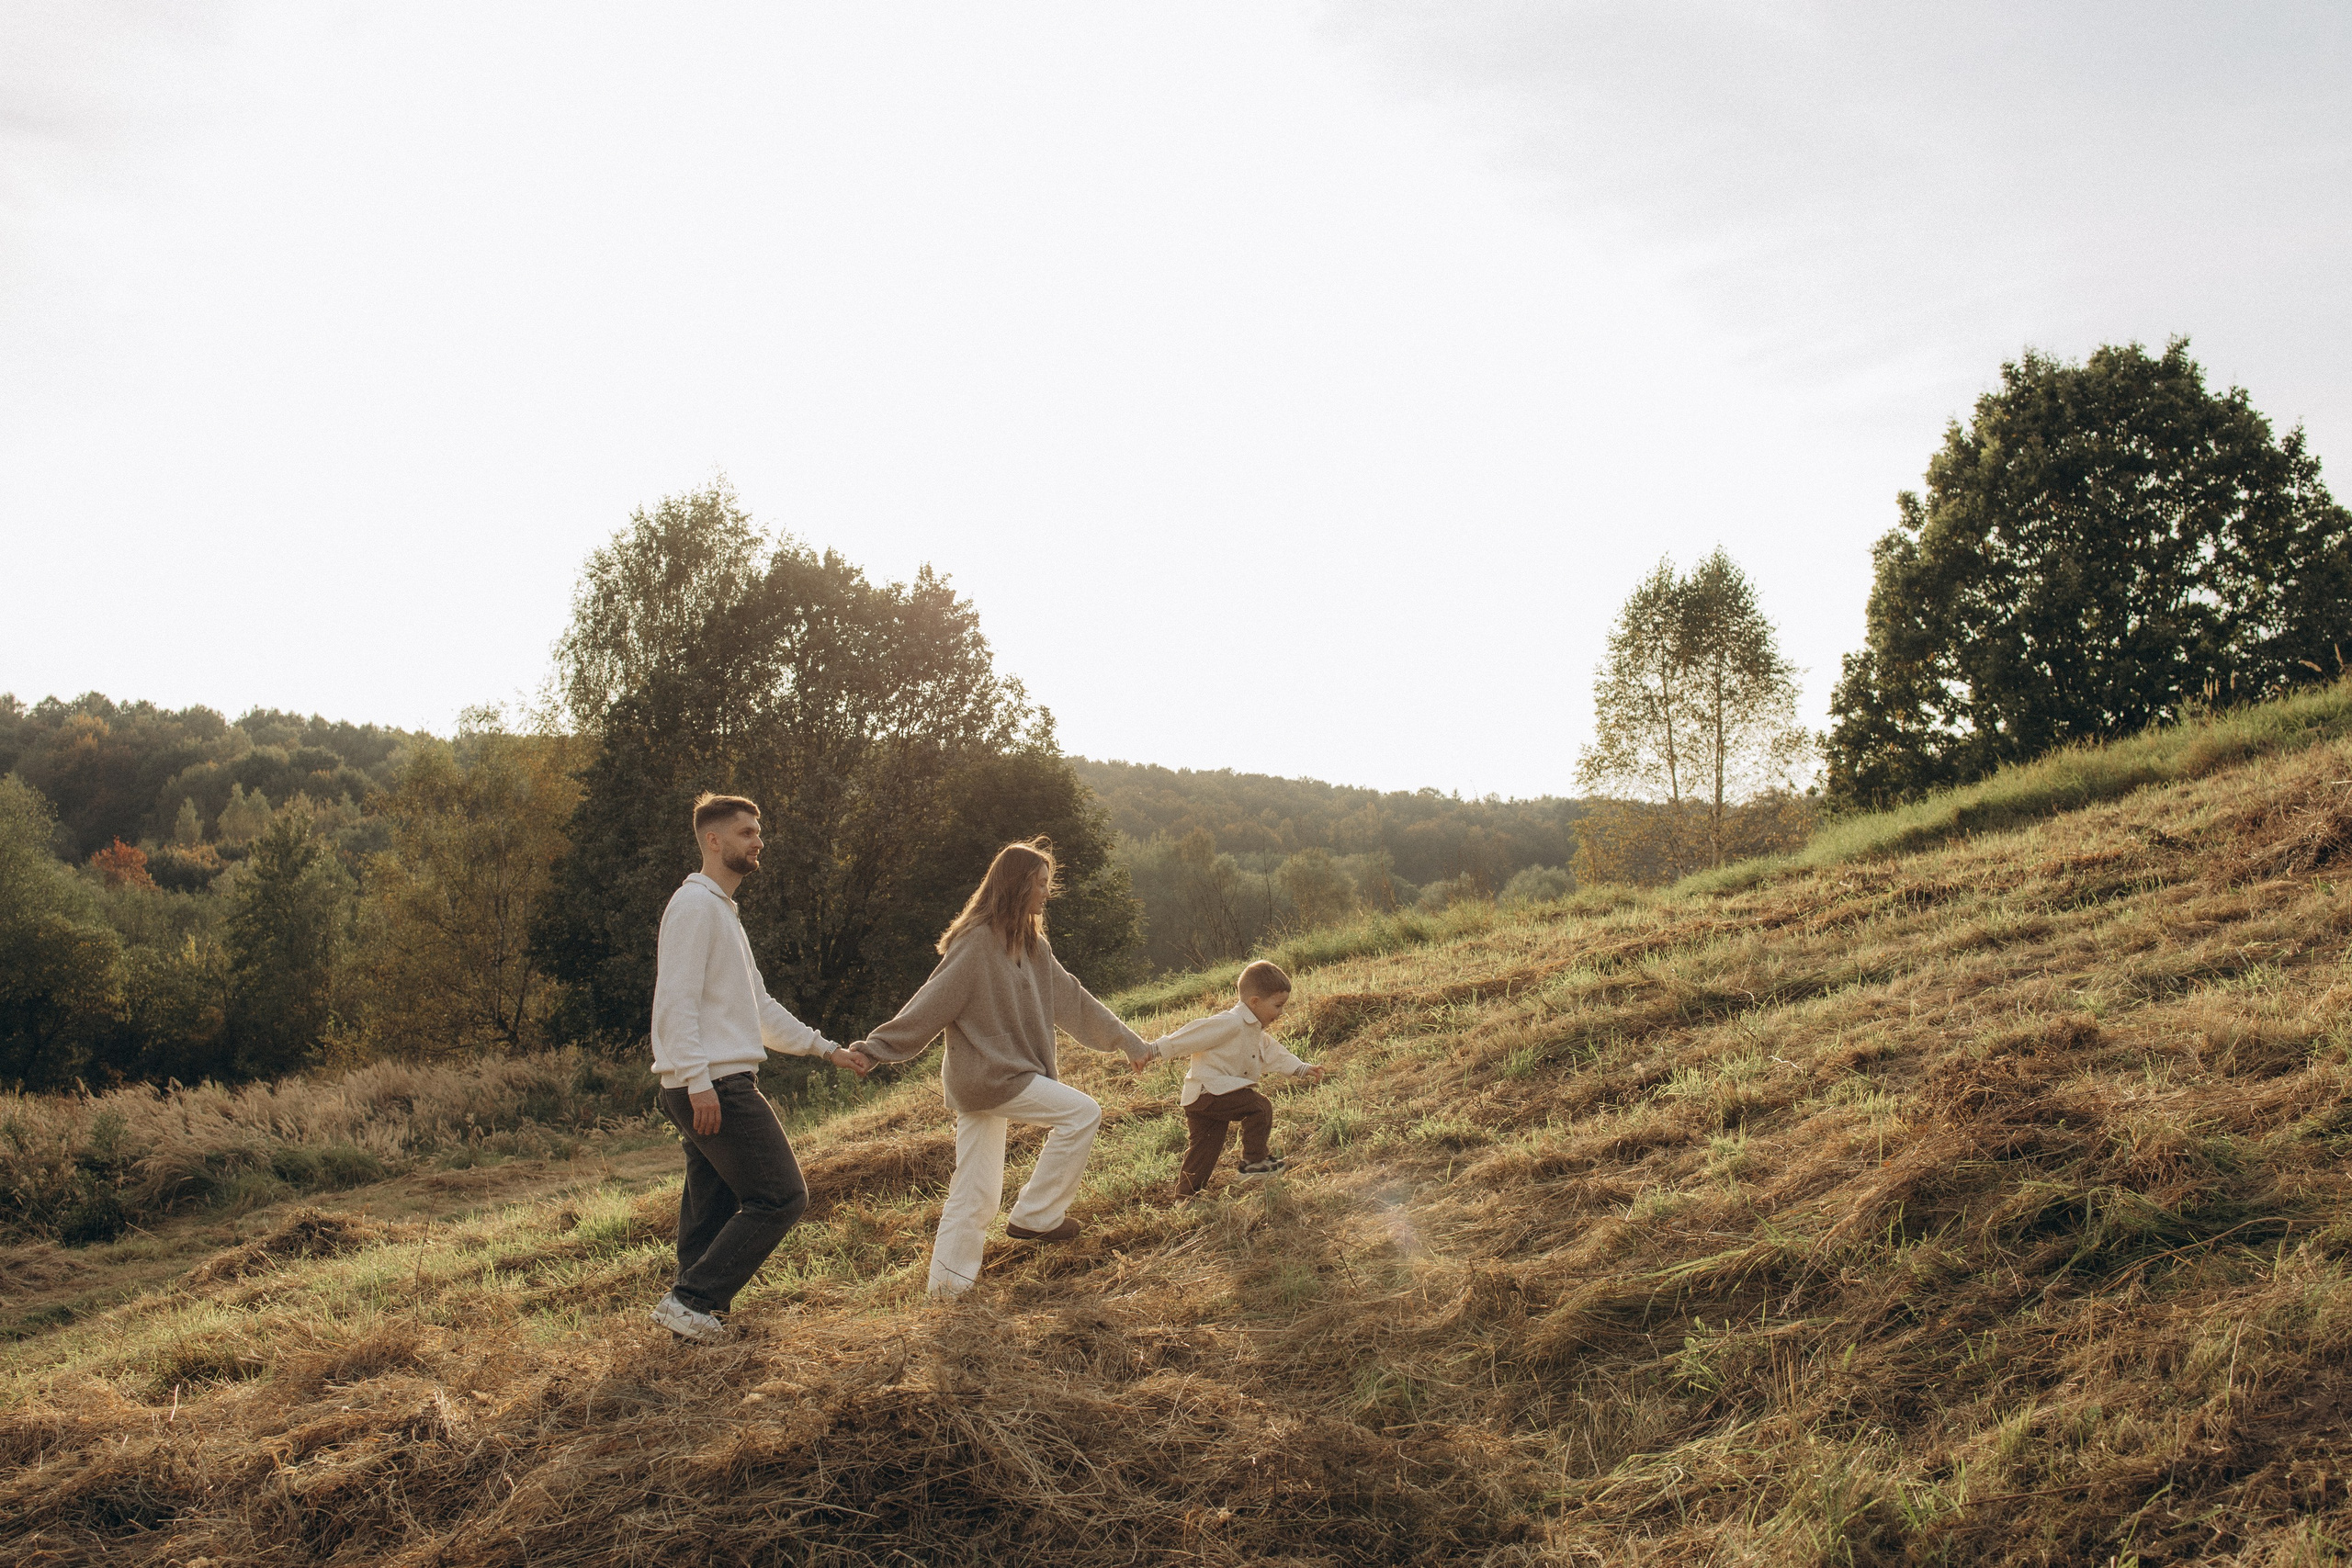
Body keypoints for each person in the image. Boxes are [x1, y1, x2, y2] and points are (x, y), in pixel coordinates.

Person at [852, 839, 1149, 1297]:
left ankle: (946, 1293)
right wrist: (876, 1049)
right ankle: (1037, 1216)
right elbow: (931, 1003)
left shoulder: (1032, 945)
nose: (1047, 894)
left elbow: (1072, 999)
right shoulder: (976, 943)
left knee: (975, 1193)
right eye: (1041, 884)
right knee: (1082, 1113)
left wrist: (1126, 1041)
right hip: (994, 1077)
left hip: (994, 1081)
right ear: (1016, 885)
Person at [648, 792, 873, 1342]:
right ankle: (693, 1299)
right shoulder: (694, 907)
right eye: (746, 832)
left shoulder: (721, 911)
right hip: (713, 1083)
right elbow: (674, 1002)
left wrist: (827, 1050)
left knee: (712, 1205)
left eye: (758, 831)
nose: (758, 841)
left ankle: (692, 1318)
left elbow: (760, 1009)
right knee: (781, 1196)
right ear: (714, 840)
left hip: (712, 1081)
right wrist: (699, 1082)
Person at [1136, 959, 1323, 1198]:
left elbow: (1273, 1053)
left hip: (1201, 1099)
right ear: (1254, 1002)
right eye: (1277, 1006)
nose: (1281, 1013)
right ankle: (1254, 1163)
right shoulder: (1231, 1022)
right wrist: (1152, 1050)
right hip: (1211, 1092)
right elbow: (1193, 1035)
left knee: (1204, 1149)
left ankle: (1186, 1198)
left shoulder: (1253, 1029)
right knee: (1259, 1108)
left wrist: (1301, 1068)